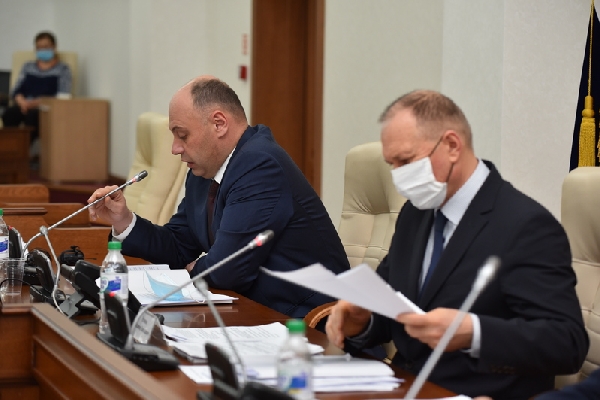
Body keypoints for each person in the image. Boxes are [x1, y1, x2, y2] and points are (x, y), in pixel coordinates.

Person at [325, 90, 588, 399]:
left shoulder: (525, 225)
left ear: (451, 145)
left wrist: (474, 332)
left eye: (406, 161)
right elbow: (396, 306)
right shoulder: (415, 213)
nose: (398, 177)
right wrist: (363, 320)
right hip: (402, 386)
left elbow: (567, 343)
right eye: (392, 164)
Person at [88, 76, 350, 320]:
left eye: (183, 135)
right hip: (251, 314)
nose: (175, 148)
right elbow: (178, 246)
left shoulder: (260, 165)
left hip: (305, 323)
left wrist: (194, 269)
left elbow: (227, 270)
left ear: (219, 124)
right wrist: (124, 220)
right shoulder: (204, 172)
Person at [1, 31, 72, 148]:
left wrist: (34, 103)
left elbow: (63, 96)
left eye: (46, 47)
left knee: (32, 117)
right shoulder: (28, 66)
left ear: (54, 47)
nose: (43, 50)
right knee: (9, 114)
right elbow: (16, 90)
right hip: (24, 105)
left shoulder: (63, 69)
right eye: (39, 47)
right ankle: (10, 151)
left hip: (44, 107)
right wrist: (23, 102)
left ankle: (24, 152)